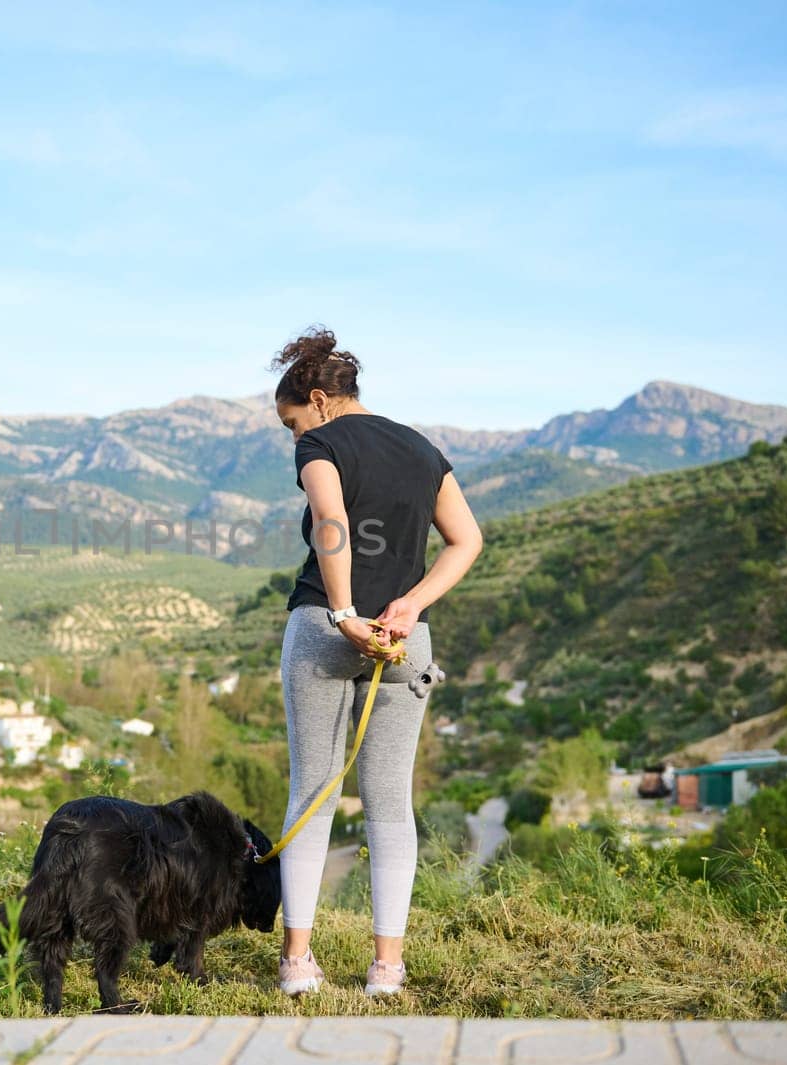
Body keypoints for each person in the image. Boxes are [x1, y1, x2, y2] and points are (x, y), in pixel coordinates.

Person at [268, 325, 483, 997]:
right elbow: (467, 540)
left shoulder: (321, 443)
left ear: (319, 398)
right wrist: (410, 603)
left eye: (290, 421)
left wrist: (342, 613)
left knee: (314, 789)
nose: (291, 435)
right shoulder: (423, 449)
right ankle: (387, 967)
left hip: (329, 627)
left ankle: (298, 961)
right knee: (391, 801)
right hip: (403, 636)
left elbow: (330, 523)